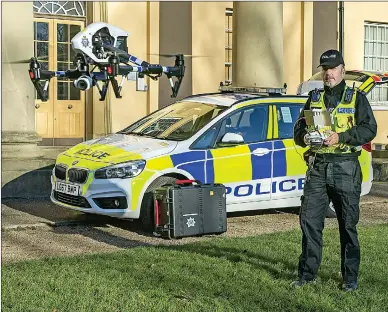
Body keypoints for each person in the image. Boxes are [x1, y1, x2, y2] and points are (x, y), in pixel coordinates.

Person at [292, 49, 377, 292]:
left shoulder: (356, 98)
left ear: (342, 69)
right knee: (309, 222)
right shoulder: (315, 98)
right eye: (325, 69)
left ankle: (350, 279)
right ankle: (307, 275)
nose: (328, 73)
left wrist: (342, 136)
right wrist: (306, 137)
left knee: (348, 225)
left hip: (345, 167)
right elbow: (297, 132)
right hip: (317, 167)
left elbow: (369, 129)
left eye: (333, 68)